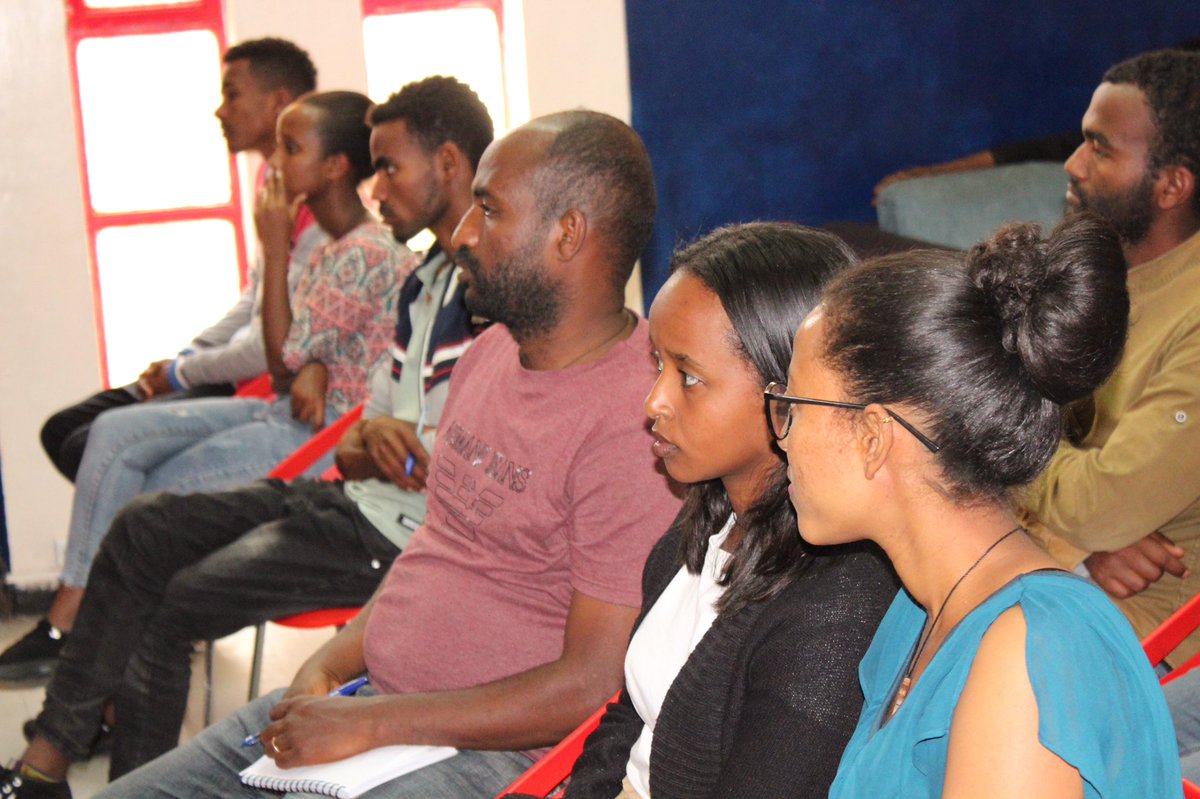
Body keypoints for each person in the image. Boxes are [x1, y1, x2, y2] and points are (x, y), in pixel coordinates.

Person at [6, 109, 682, 799]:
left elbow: (590, 682)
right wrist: (327, 666)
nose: (462, 234)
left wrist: (373, 724)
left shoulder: (636, 422)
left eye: (489, 210)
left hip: (483, 756)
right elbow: (434, 546)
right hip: (371, 709)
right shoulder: (488, 355)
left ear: (567, 234)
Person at [0, 77, 488, 795]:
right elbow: (357, 441)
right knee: (143, 525)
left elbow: (470, 469)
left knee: (169, 605)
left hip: (394, 538)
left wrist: (403, 445)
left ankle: (93, 777)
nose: (377, 188)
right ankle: (47, 764)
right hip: (347, 499)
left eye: (389, 168)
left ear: (448, 162)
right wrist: (378, 440)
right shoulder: (424, 284)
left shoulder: (492, 299)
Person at [0, 89, 408, 684]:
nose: (275, 163)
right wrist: (305, 362)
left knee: (146, 512)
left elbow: (283, 356)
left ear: (335, 167)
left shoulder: (362, 252)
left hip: (315, 441)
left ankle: (94, 662)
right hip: (284, 414)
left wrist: (276, 256)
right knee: (113, 439)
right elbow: (291, 360)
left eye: (290, 149)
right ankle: (91, 651)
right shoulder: (333, 248)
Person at [769, 215, 1180, 796]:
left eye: (795, 404)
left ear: (873, 437)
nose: (781, 436)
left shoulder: (1027, 652)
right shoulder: (920, 611)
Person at [552, 223, 897, 799]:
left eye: (689, 377)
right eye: (657, 364)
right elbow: (629, 717)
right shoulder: (710, 516)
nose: (654, 402)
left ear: (789, 390)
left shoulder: (838, 605)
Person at [38, 37, 323, 483]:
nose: (220, 111)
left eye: (232, 95)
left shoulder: (320, 208)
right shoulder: (270, 180)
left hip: (260, 382)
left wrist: (180, 374)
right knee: (61, 431)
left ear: (278, 102)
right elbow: (256, 296)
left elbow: (272, 347)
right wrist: (189, 355)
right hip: (229, 364)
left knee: (90, 444)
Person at [1018, 48, 1200, 663]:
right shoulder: (1092, 268)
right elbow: (955, 424)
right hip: (1066, 580)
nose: (1072, 165)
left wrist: (1002, 444)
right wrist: (1076, 545)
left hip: (1154, 639)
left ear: (1171, 186)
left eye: (1099, 148)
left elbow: (1100, 508)